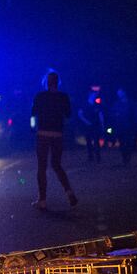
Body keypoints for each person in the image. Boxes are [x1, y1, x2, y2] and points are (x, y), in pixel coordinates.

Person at [31, 70, 77, 209]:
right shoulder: (63, 97)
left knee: (42, 167)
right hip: (57, 134)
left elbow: (33, 113)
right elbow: (68, 115)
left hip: (43, 133)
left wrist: (33, 128)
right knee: (56, 165)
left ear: (46, 83)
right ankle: (69, 192)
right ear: (58, 83)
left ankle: (42, 200)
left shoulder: (40, 96)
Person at [112, 88, 137, 166]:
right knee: (122, 143)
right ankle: (124, 158)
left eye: (120, 92)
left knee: (128, 143)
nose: (119, 94)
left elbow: (135, 115)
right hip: (120, 127)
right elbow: (113, 114)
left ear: (124, 93)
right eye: (118, 93)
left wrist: (136, 126)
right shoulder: (117, 104)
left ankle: (127, 158)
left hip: (129, 127)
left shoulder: (131, 103)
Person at [76, 91, 104, 163]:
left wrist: (102, 124)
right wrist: (86, 122)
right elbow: (79, 114)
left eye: (95, 95)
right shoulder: (84, 104)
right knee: (88, 141)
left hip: (96, 126)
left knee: (96, 141)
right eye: (94, 95)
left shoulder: (97, 105)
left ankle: (98, 157)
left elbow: (100, 114)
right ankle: (90, 156)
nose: (95, 96)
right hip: (87, 127)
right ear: (90, 96)